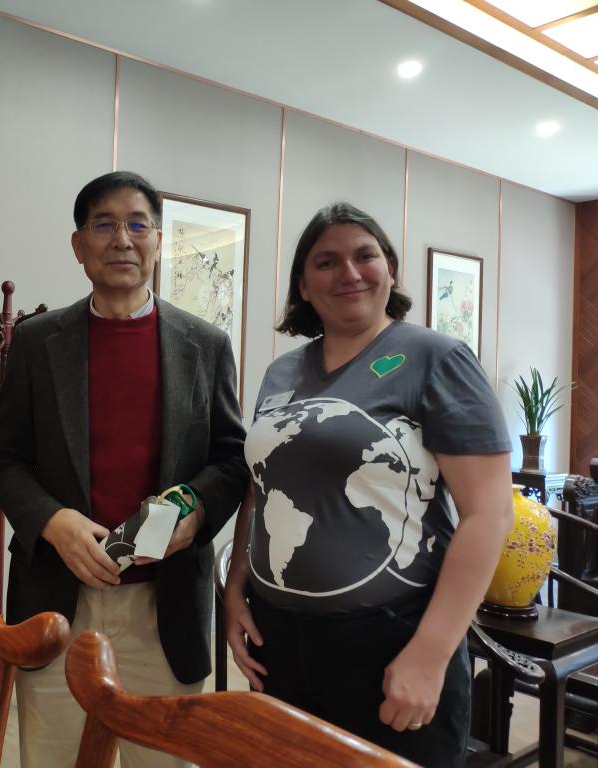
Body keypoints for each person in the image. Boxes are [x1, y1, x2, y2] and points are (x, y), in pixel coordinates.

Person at [223, 203, 513, 768]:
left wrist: (430, 654)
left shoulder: (437, 359)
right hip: (279, 638)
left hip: (391, 641)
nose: (349, 273)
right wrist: (235, 590)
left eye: (365, 256)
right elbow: (260, 488)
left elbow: (489, 513)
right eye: (326, 262)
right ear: (303, 285)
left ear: (391, 270)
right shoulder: (282, 372)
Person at [0, 170, 248, 768]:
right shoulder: (36, 342)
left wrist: (195, 510)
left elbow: (231, 459)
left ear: (159, 241)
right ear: (78, 245)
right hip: (58, 598)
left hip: (166, 603)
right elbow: (4, 459)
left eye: (137, 224)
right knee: (54, 759)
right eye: (103, 224)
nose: (122, 239)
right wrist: (51, 521)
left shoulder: (205, 345)